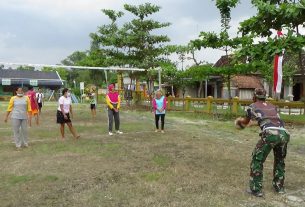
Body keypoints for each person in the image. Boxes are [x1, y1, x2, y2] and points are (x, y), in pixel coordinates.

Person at [235, 88, 290, 197]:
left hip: (270, 134)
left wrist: (239, 122)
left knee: (257, 159)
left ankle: (256, 189)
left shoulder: (252, 106)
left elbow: (244, 122)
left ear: (254, 97)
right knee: (280, 160)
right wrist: (256, 124)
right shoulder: (273, 106)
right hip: (284, 133)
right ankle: (279, 187)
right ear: (265, 97)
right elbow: (271, 120)